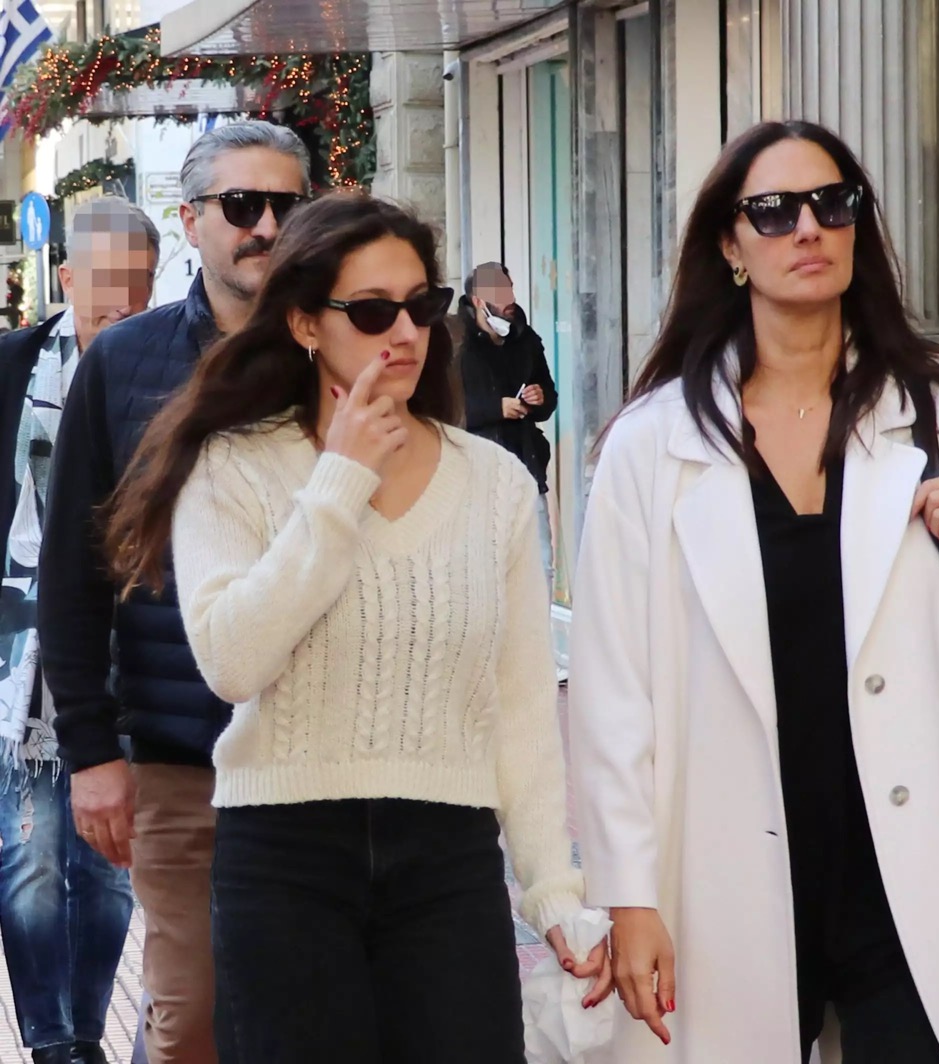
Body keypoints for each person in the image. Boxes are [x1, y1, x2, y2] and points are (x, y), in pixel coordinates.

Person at [568, 120, 939, 1064]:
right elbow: (613, 691)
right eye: (774, 211)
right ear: (731, 246)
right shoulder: (655, 446)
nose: (808, 227)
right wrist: (627, 894)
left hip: (912, 851)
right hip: (726, 856)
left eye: (832, 203)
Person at [101, 191, 608, 1064]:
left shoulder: (491, 484)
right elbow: (231, 661)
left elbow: (522, 704)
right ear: (305, 323)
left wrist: (552, 890)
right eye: (373, 311)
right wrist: (338, 482)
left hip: (448, 855)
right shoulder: (232, 466)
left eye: (422, 306)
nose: (405, 333)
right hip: (283, 856)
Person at [37, 120, 313, 1064]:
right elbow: (74, 573)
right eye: (242, 204)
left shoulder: (348, 353)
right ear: (192, 222)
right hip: (180, 757)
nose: (266, 226)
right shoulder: (123, 363)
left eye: (286, 206)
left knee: (309, 1019)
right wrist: (90, 752)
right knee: (189, 1016)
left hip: (326, 761)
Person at [0, 197, 158, 1064]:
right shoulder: (14, 366)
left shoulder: (166, 374)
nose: (120, 304)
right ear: (66, 278)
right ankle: (52, 1041)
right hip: (19, 654)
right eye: (103, 285)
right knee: (28, 860)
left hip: (128, 652)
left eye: (137, 287)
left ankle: (87, 1031)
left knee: (105, 869)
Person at [459, 261, 559, 588]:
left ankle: (539, 623)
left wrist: (539, 398)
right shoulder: (456, 344)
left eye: (509, 289)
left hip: (526, 466)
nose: (509, 299)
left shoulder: (526, 339)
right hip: (476, 475)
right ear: (478, 300)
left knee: (540, 566)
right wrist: (495, 408)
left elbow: (549, 401)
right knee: (484, 570)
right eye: (499, 292)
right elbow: (444, 413)